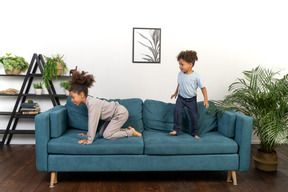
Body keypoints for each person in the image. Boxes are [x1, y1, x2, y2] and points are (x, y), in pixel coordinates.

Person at [69, 70, 142, 145]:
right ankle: (128, 130)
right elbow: (92, 121)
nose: (71, 100)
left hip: (120, 113)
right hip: (114, 115)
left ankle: (130, 133)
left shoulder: (92, 103)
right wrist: (88, 134)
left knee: (107, 135)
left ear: (81, 94)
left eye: (73, 97)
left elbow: (92, 121)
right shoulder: (89, 102)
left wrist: (89, 140)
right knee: (102, 133)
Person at [170, 50, 209, 138]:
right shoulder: (180, 74)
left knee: (194, 117)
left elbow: (203, 88)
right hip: (180, 98)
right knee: (176, 112)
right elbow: (179, 84)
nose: (180, 66)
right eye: (179, 64)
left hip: (191, 100)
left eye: (182, 64)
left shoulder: (196, 77)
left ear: (190, 64)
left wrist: (205, 99)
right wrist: (175, 93)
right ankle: (176, 130)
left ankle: (194, 133)